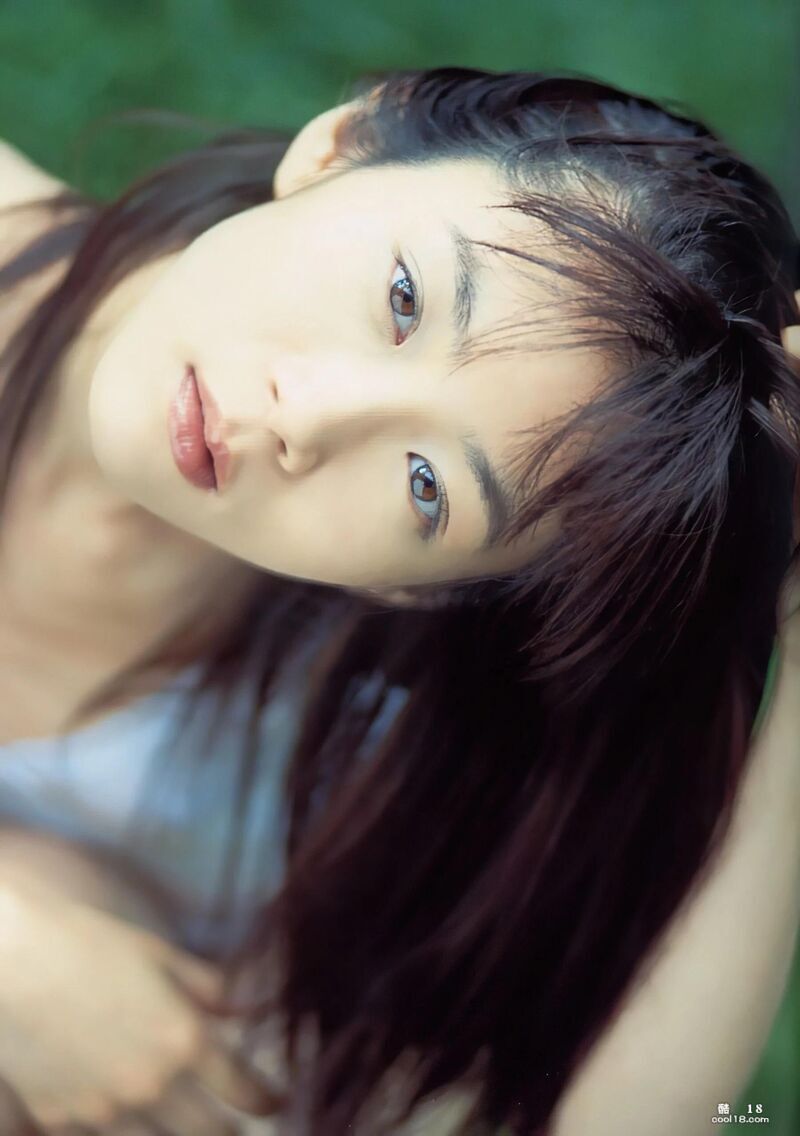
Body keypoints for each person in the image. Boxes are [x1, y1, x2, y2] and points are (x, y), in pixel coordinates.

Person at [0, 66, 798, 1135]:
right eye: (405, 300)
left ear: (413, 587)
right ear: (338, 148)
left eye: (427, 486)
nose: (309, 418)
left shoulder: (336, 752)